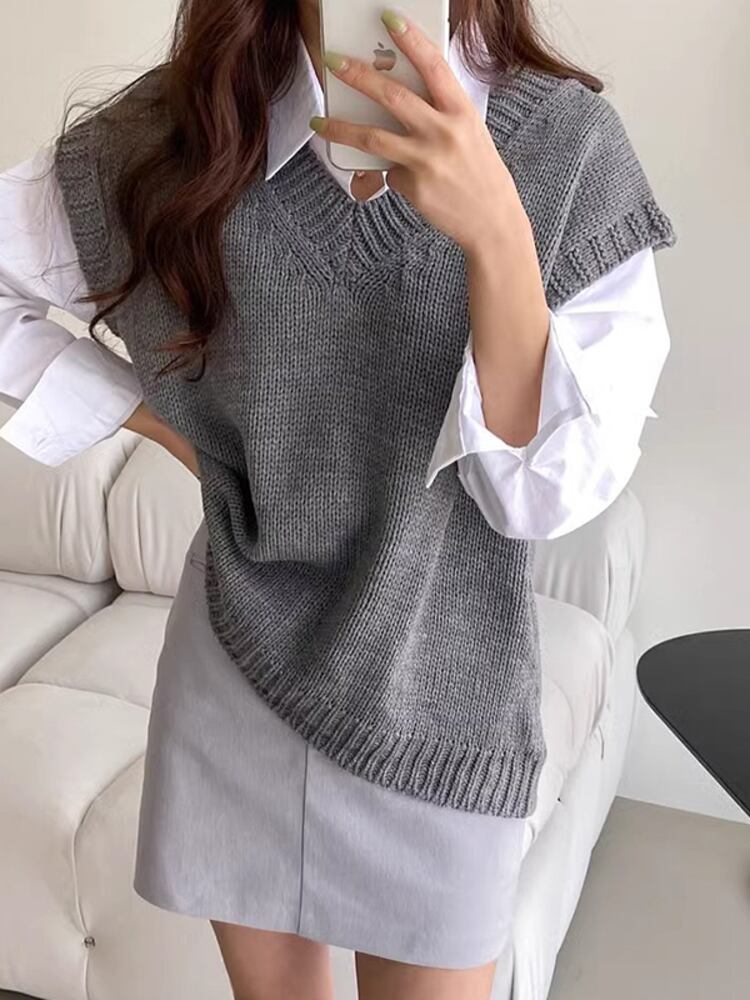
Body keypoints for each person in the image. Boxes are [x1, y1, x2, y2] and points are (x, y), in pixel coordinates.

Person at [0, 2, 676, 998]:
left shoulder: (567, 149)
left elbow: (540, 499)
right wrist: (169, 427)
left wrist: (497, 231)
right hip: (236, 668)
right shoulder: (190, 130)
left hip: (440, 706)